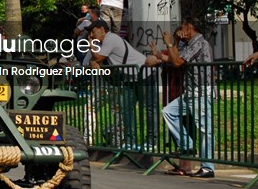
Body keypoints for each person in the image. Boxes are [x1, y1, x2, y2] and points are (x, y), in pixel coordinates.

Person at [86, 19, 158, 150]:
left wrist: (90, 44)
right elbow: (96, 60)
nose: (91, 34)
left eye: (93, 31)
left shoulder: (110, 39)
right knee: (126, 109)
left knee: (149, 109)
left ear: (102, 29)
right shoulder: (105, 43)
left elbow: (98, 58)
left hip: (144, 75)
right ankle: (130, 141)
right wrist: (94, 60)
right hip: (130, 78)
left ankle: (152, 141)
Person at [161, 19, 215, 178]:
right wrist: (175, 41)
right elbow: (173, 58)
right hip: (190, 92)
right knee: (168, 111)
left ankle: (208, 167)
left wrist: (170, 43)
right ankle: (188, 145)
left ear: (190, 27)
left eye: (183, 27)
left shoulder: (200, 43)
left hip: (201, 92)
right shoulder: (188, 43)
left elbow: (177, 62)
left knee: (205, 130)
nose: (180, 30)